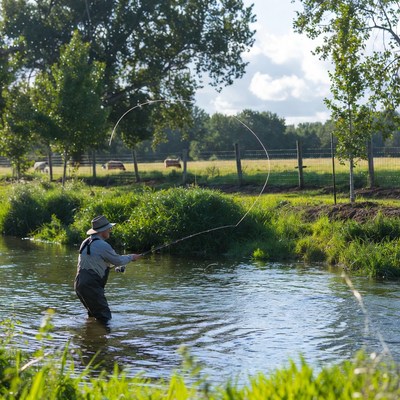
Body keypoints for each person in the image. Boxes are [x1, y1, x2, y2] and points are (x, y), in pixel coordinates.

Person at [74, 215, 141, 324]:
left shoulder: (86, 242)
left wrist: (112, 266)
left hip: (79, 284)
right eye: (109, 228)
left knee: (93, 315)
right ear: (102, 231)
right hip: (92, 286)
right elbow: (118, 261)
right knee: (105, 317)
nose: (110, 230)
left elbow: (96, 262)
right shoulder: (102, 245)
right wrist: (131, 257)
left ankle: (90, 336)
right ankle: (101, 340)